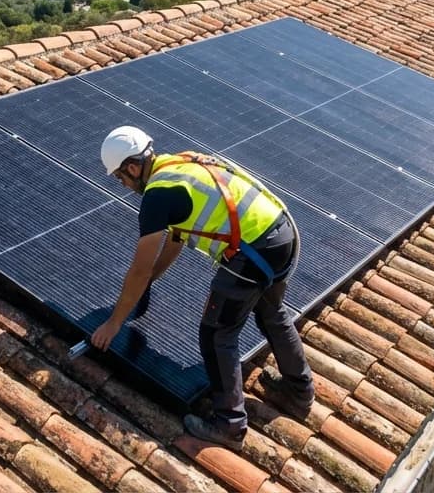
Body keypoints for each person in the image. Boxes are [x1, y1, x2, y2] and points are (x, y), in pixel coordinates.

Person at [90, 125, 314, 450]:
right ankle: (299, 392)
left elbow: (137, 269)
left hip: (254, 250)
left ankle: (230, 426)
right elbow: (175, 240)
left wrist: (114, 322)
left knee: (216, 333)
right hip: (283, 234)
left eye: (120, 178)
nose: (123, 185)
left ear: (134, 167)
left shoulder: (157, 196)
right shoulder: (179, 166)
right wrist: (153, 279)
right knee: (270, 312)